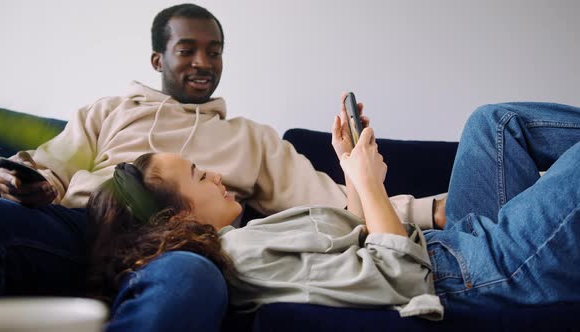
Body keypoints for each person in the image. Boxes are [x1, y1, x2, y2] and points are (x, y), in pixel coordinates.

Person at [0, 3, 441, 331]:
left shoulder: (252, 138)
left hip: (169, 247)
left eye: (215, 51)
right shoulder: (110, 110)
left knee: (192, 278)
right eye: (187, 50)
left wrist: (430, 211)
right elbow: (47, 166)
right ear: (158, 59)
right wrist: (22, 181)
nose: (203, 63)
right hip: (80, 223)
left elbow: (339, 202)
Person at [86, 100, 580, 324]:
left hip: (458, 247)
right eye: (198, 176)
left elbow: (354, 245)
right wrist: (370, 182)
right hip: (478, 270)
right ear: (179, 221)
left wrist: (349, 170)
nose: (216, 175)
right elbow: (403, 281)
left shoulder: (247, 239)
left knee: (494, 124)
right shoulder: (243, 255)